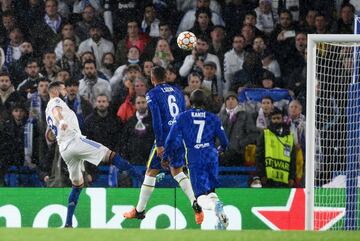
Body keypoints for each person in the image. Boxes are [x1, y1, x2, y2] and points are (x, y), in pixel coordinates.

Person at [45, 80, 140, 227]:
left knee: (77, 185)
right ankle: (143, 178)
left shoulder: (46, 109)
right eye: (63, 88)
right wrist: (62, 121)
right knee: (111, 155)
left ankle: (68, 223)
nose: (65, 91)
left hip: (65, 150)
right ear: (56, 90)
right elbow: (57, 111)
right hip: (74, 142)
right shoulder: (55, 101)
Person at [123, 66, 203, 225]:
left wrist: (160, 144)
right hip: (179, 136)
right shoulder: (178, 91)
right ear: (166, 76)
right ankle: (195, 202)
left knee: (150, 172)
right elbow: (182, 115)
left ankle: (139, 210)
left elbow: (157, 121)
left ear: (152, 79)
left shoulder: (152, 94)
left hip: (165, 138)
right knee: (178, 172)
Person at [164, 89, 229, 229]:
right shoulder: (213, 118)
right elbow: (224, 142)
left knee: (199, 196)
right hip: (211, 155)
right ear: (205, 102)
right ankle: (219, 221)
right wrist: (220, 150)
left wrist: (165, 156)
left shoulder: (182, 117)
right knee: (211, 191)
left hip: (195, 156)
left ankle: (214, 207)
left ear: (191, 102)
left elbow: (170, 139)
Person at [251, 107, 296, 188]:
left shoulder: (289, 137)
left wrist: (292, 177)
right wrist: (262, 174)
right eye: (274, 118)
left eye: (278, 118)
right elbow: (259, 156)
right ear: (270, 120)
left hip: (284, 179)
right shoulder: (265, 134)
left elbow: (292, 159)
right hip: (268, 179)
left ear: (282, 119)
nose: (276, 121)